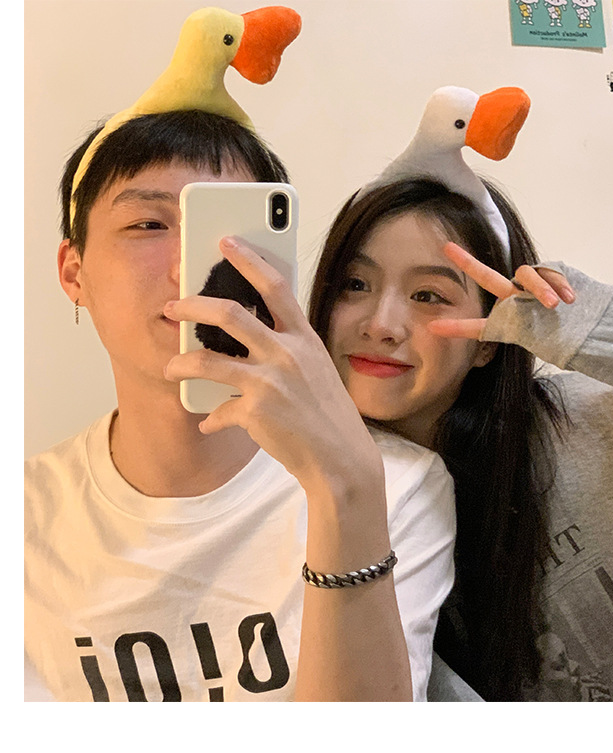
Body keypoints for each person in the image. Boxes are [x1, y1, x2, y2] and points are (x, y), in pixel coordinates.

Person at [24, 111, 456, 702]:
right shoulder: (26, 518)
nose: (188, 268)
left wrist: (346, 490)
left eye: (221, 225)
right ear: (74, 272)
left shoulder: (392, 485)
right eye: (148, 224)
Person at [308, 176, 613, 702]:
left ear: (489, 341)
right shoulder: (322, 502)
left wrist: (591, 325)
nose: (382, 325)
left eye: (427, 295)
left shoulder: (610, 421)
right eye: (354, 285)